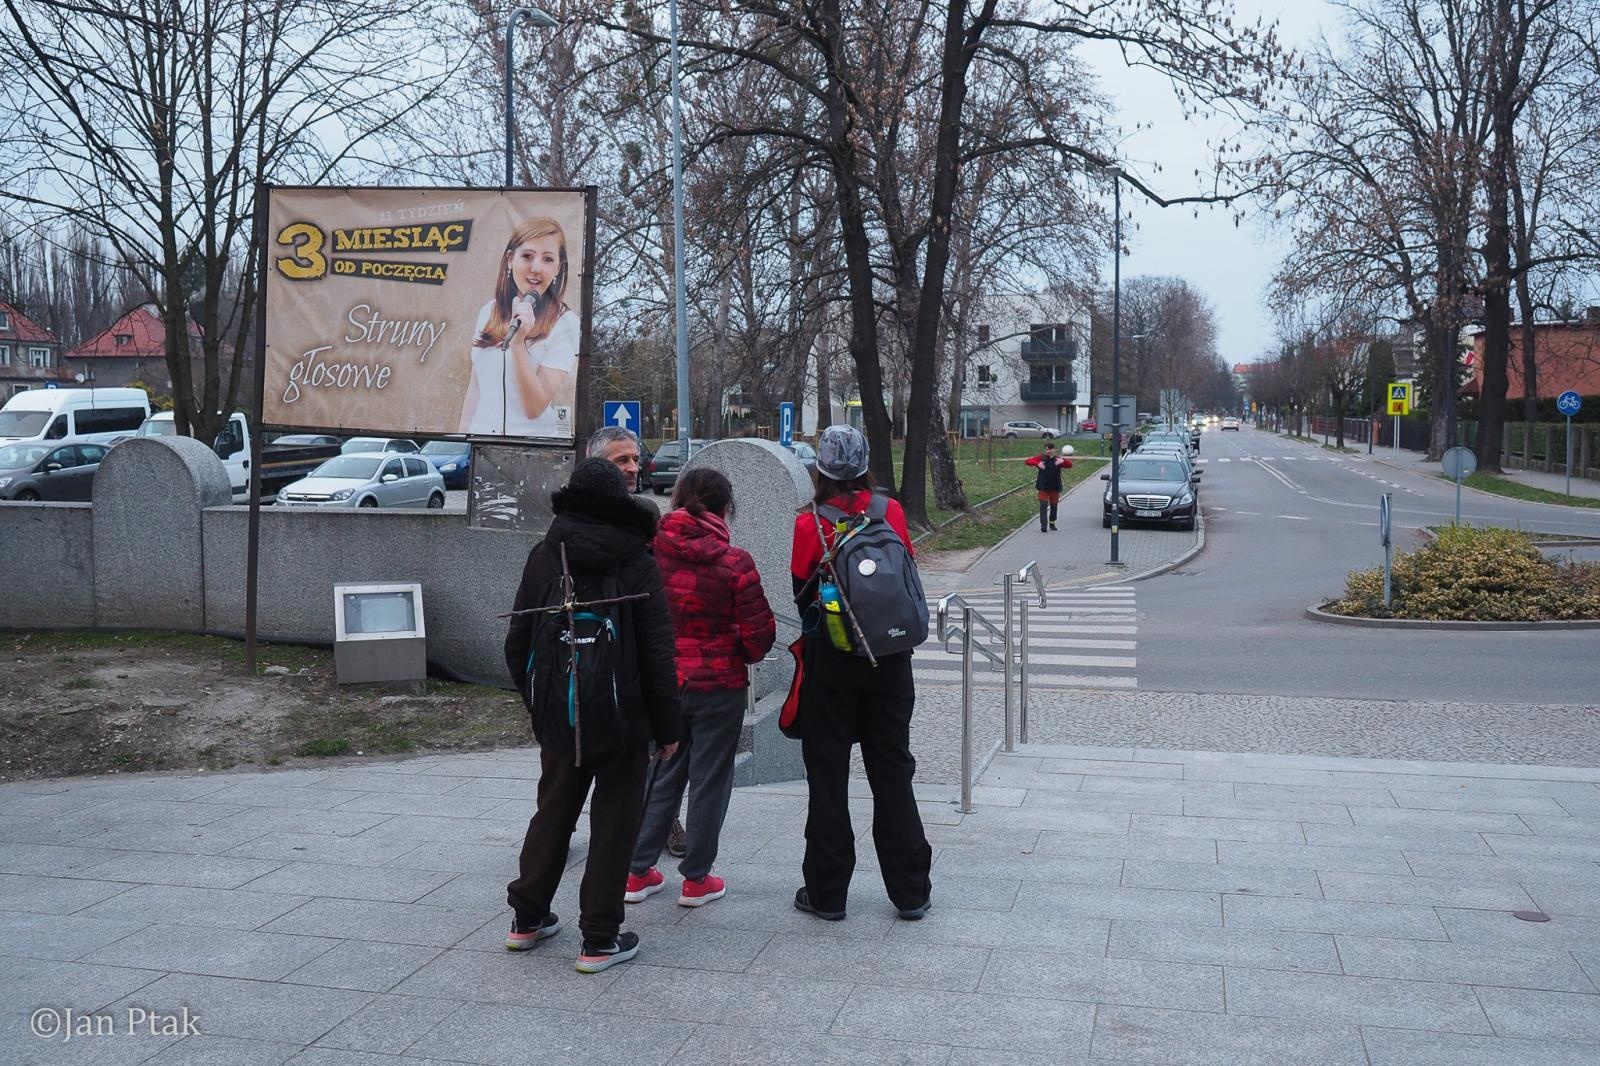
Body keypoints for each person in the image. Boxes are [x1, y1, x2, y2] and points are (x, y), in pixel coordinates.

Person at [503, 458, 681, 973]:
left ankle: (526, 919)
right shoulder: (638, 559)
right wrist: (668, 728)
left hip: (561, 712)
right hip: (624, 717)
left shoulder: (544, 556)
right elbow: (656, 652)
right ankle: (599, 938)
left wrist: (541, 704)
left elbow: (517, 643)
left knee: (553, 811)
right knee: (614, 824)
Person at [787, 424, 932, 922]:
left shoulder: (810, 524)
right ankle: (911, 889)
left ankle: (827, 893)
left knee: (827, 778)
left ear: (821, 469)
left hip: (832, 667)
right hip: (891, 663)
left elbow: (801, 596)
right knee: (892, 771)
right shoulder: (888, 512)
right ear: (866, 463)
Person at [626, 468, 776, 907]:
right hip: (719, 685)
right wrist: (740, 654)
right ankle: (696, 878)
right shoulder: (735, 561)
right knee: (711, 779)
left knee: (662, 770)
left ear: (677, 500)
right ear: (725, 508)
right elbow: (759, 636)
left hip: (665, 683)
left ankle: (636, 872)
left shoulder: (651, 552)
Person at [460, 217, 580, 438]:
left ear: (557, 269)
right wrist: (462, 438)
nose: (536, 268)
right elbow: (476, 387)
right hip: (480, 445)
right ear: (510, 259)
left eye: (547, 259)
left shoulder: (566, 323)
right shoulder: (489, 311)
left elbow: (534, 407)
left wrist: (518, 344)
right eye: (527, 256)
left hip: (534, 450)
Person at [1025, 441, 1073, 531]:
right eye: (1047, 449)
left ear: (1054, 450)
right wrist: (1037, 463)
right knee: (1043, 505)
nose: (1048, 451)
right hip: (1043, 486)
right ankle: (1043, 525)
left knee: (1054, 506)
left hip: (1054, 487)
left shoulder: (1057, 459)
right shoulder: (1041, 458)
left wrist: (1063, 461)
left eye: (1050, 449)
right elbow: (1028, 461)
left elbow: (1070, 465)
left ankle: (1052, 523)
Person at [587, 425, 643, 492]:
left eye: (636, 460)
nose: (634, 469)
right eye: (623, 460)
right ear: (596, 464)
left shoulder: (644, 503)